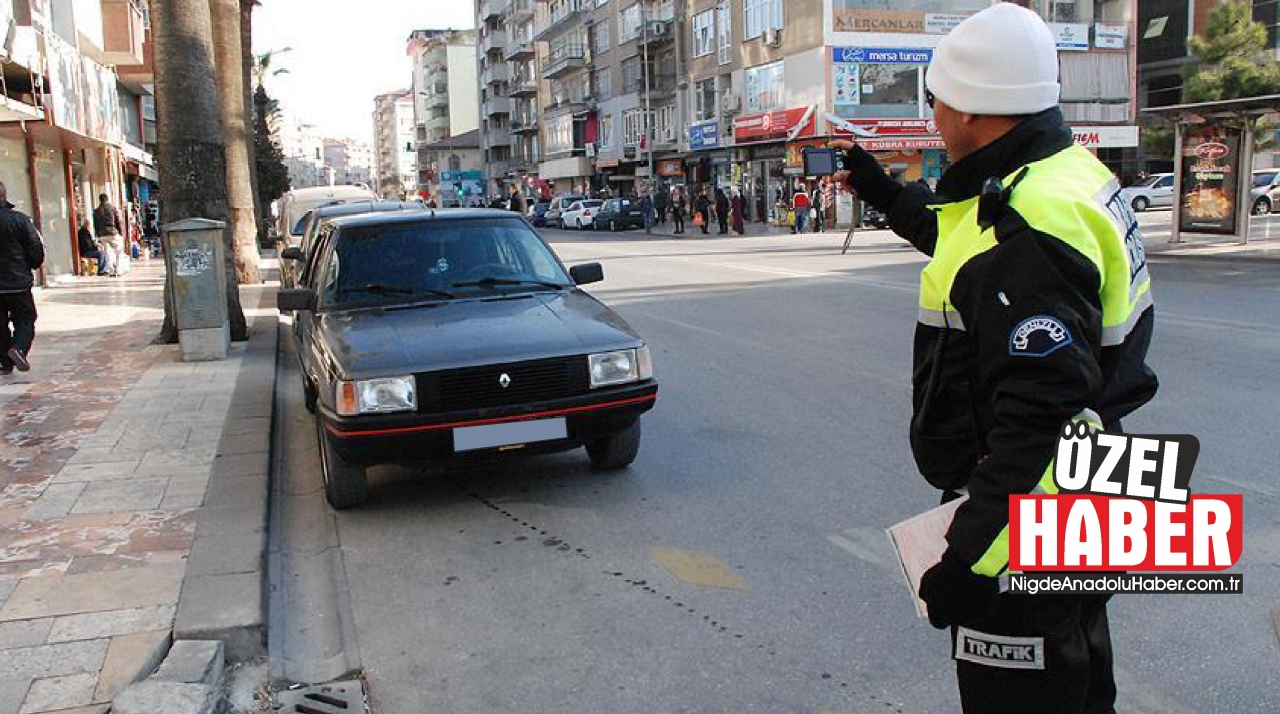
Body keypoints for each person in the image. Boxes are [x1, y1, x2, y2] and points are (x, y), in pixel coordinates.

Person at [832, 5, 1156, 713]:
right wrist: (887, 193)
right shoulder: (1062, 174)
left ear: (973, 110)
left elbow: (1037, 424)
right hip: (1090, 489)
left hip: (1031, 519)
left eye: (937, 100)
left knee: (1026, 695)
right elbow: (975, 255)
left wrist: (969, 563)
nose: (934, 116)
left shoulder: (1025, 228)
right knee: (1080, 670)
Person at [0, 182, 44, 374]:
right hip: (18, 283)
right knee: (26, 318)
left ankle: (5, 362)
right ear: (4, 195)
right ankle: (18, 348)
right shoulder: (21, 220)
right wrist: (31, 265)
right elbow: (36, 250)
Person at [93, 193, 124, 277]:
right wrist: (120, 233)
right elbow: (118, 222)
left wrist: (97, 235)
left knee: (108, 253)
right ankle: (118, 270)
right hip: (113, 233)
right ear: (107, 199)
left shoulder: (96, 211)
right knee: (119, 251)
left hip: (103, 235)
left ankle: (111, 271)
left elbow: (95, 225)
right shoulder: (113, 208)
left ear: (100, 200)